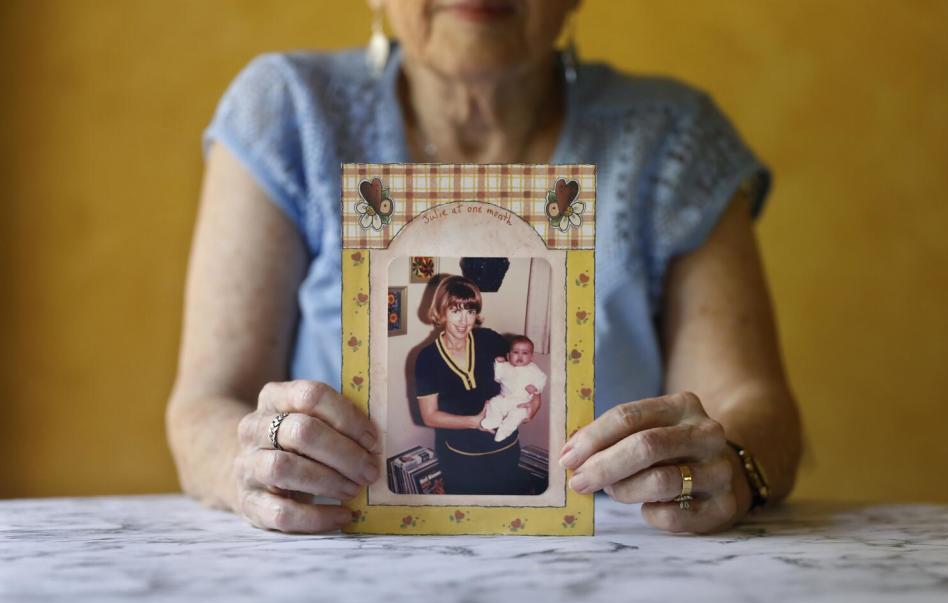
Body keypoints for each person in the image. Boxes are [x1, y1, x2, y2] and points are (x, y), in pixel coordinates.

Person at [166, 0, 802, 534]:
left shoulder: (674, 136)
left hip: (612, 574)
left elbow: (749, 405)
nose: (468, 314)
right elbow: (206, 404)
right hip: (348, 571)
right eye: (459, 305)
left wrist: (731, 466)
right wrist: (247, 462)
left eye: (472, 304)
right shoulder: (286, 110)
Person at [414, 276, 539, 494]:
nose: (464, 321)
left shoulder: (490, 340)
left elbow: (525, 371)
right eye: (456, 311)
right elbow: (430, 416)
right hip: (461, 457)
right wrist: (475, 421)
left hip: (506, 447)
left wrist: (535, 401)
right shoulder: (427, 359)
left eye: (470, 311)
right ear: (441, 312)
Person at [481, 335, 547, 443]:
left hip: (522, 402)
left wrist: (536, 388)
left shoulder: (533, 369)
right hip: (504, 399)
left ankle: (504, 431)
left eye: (525, 353)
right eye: (516, 352)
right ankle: (494, 420)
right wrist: (499, 364)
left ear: (531, 357)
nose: (520, 356)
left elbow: (542, 378)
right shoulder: (506, 366)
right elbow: (498, 378)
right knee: (493, 403)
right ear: (508, 355)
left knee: (517, 415)